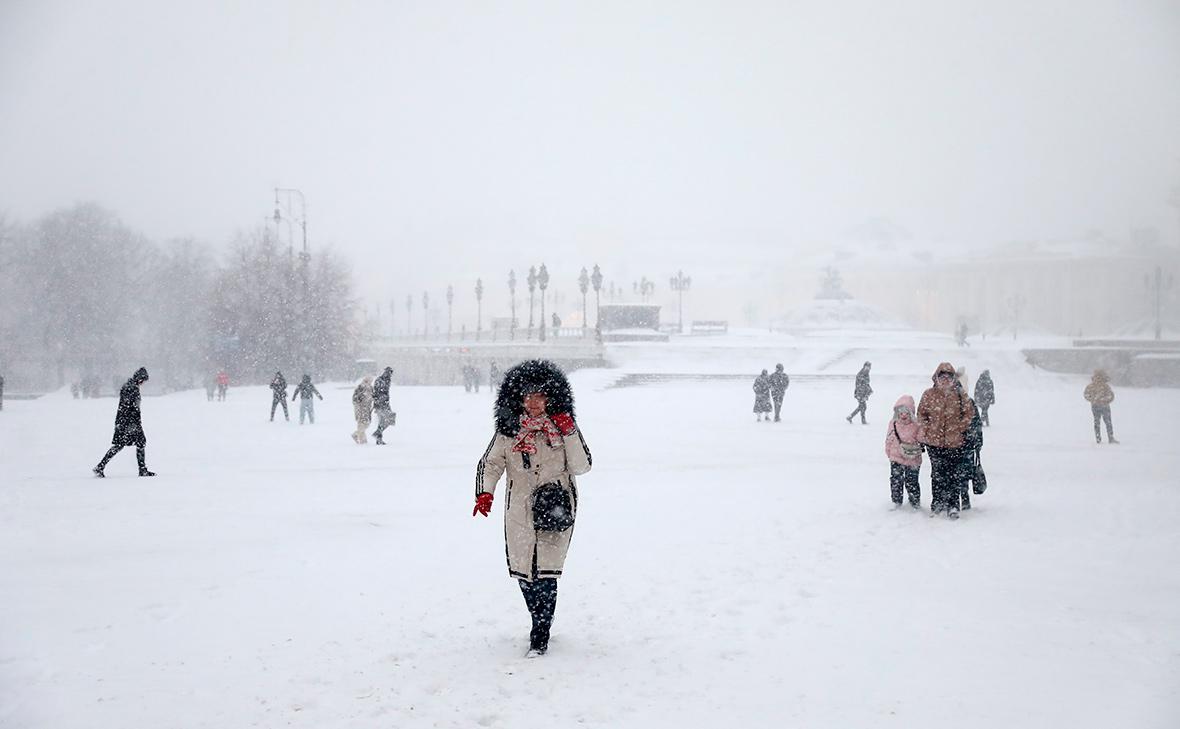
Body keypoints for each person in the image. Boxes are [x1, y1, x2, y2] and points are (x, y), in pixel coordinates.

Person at [474, 359, 592, 657]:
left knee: (547, 574)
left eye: (540, 396)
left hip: (556, 508)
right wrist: (484, 493)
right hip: (520, 511)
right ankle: (537, 618)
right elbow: (490, 463)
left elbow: (582, 465)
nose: (534, 403)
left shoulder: (563, 429)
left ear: (551, 398)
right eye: (529, 396)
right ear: (519, 399)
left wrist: (569, 433)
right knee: (526, 574)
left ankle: (540, 634)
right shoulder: (509, 432)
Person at [918, 362, 976, 519]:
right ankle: (937, 503)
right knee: (937, 474)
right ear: (936, 378)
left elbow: (969, 413)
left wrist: (959, 427)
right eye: (941, 376)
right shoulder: (928, 394)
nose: (945, 380)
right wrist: (928, 429)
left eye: (948, 377)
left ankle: (952, 505)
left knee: (953, 475)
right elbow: (921, 414)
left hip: (955, 442)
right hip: (934, 443)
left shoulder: (960, 394)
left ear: (953, 379)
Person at [93, 367, 154, 478]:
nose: (143, 383)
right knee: (136, 443)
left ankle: (101, 466)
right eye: (144, 381)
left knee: (123, 444)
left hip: (125, 421)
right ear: (140, 379)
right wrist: (134, 422)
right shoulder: (132, 388)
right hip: (129, 422)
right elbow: (131, 407)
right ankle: (142, 470)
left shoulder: (129, 386)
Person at [884, 395, 923, 509]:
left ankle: (914, 502)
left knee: (912, 482)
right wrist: (888, 451)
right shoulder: (893, 423)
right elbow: (889, 438)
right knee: (896, 480)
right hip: (896, 456)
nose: (903, 415)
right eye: (901, 413)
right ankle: (896, 501)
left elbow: (921, 439)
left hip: (913, 458)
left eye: (906, 413)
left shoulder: (917, 424)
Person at [1084, 369, 1118, 444]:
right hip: (1104, 406)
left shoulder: (1091, 386)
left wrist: (1093, 400)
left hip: (1095, 406)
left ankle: (1098, 438)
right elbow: (1111, 396)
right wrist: (1104, 400)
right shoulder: (1105, 386)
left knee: (1097, 422)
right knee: (1107, 422)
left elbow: (1086, 395)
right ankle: (1110, 437)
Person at [372, 366, 396, 445]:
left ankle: (378, 434)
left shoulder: (387, 380)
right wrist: (377, 402)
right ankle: (378, 437)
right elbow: (375, 393)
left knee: (389, 419)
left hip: (385, 403)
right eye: (389, 372)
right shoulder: (379, 380)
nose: (390, 374)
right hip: (380, 403)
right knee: (384, 419)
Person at [352, 377, 374, 444]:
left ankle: (357, 435)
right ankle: (361, 439)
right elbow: (355, 398)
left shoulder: (370, 387)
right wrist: (360, 403)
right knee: (362, 423)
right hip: (361, 408)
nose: (371, 382)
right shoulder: (361, 387)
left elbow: (371, 397)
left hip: (366, 408)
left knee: (366, 423)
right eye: (370, 381)